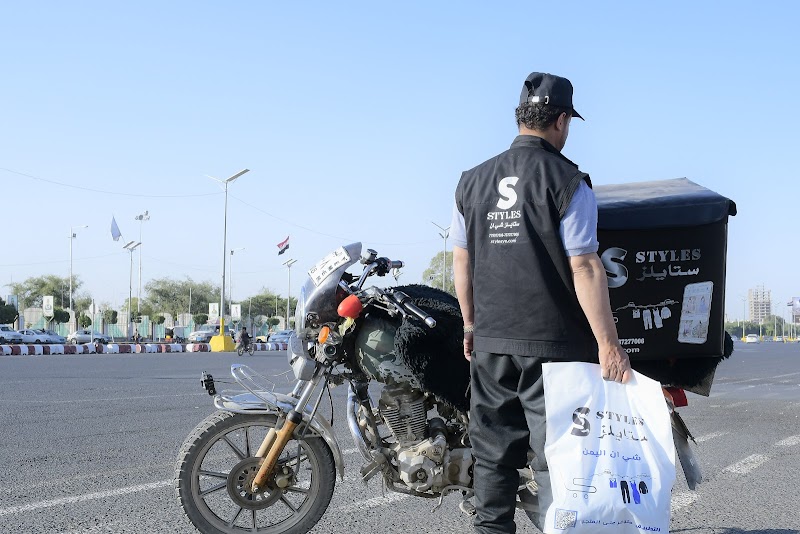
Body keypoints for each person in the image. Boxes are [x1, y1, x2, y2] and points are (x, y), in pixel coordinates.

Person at [451, 72, 631, 533]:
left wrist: (470, 325)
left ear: (521, 117)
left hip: (492, 343)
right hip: (553, 348)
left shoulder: (471, 182)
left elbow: (462, 260)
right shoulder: (568, 181)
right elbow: (585, 266)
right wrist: (609, 345)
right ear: (562, 120)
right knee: (558, 457)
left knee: (492, 457)